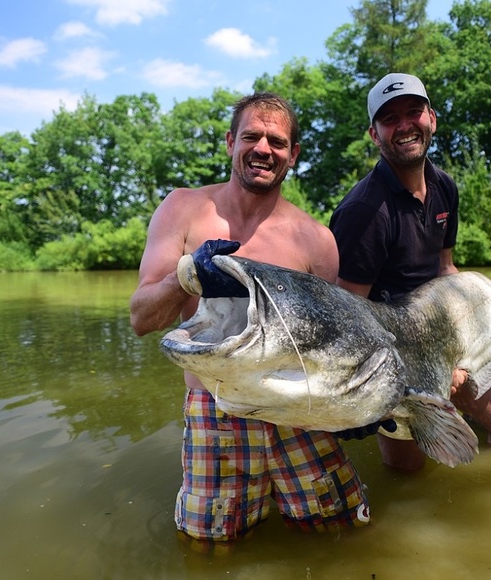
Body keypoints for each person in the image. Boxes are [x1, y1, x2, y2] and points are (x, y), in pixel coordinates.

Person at [130, 92, 373, 545]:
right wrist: (185, 277)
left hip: (299, 408)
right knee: (208, 547)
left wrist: (355, 407)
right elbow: (141, 318)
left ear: (293, 155)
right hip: (214, 407)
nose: (264, 148)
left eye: (277, 142)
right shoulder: (183, 209)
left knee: (342, 534)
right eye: (251, 136)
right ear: (229, 142)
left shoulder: (317, 241)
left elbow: (335, 346)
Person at [329, 73, 491, 472]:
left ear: (432, 119)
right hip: (397, 353)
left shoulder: (445, 188)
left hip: (447, 335)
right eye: (389, 119)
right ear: (374, 134)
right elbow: (349, 317)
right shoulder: (364, 213)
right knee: (409, 474)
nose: (404, 125)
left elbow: (447, 269)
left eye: (413, 112)